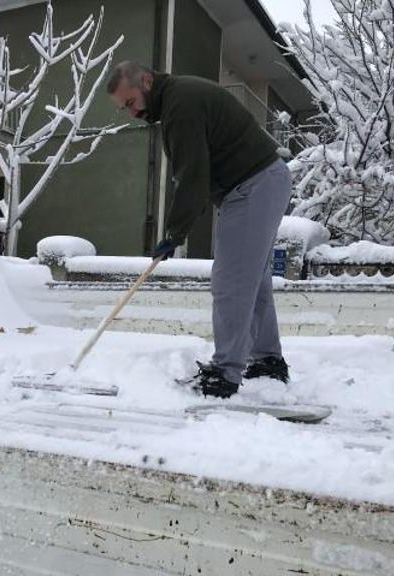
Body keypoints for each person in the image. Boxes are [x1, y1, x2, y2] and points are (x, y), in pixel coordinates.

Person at [107, 61, 292, 398]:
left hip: (253, 185)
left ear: (146, 81)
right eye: (124, 108)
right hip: (265, 181)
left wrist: (174, 234)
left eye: (131, 102)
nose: (131, 113)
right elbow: (196, 174)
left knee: (231, 282)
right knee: (253, 280)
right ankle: (267, 359)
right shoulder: (179, 97)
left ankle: (225, 374)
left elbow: (193, 177)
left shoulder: (181, 106)